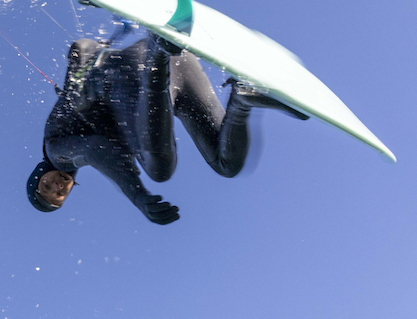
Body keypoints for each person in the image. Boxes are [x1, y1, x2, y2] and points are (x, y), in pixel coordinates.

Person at [27, 34, 308, 224]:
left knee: (160, 170)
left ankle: (158, 52)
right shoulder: (69, 148)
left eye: (46, 185)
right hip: (179, 66)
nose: (57, 186)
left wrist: (138, 196)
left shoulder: (57, 152)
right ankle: (243, 98)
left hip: (135, 70)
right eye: (59, 194)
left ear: (39, 174)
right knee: (227, 165)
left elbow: (96, 150)